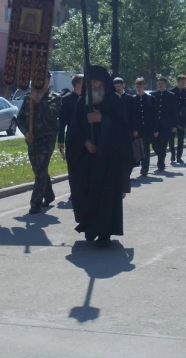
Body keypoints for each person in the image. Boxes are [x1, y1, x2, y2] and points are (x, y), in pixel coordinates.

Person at [66, 66, 130, 247]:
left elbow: (122, 128)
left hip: (108, 159)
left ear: (103, 82)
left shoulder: (114, 100)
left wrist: (103, 119)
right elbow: (74, 130)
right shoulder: (82, 102)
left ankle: (104, 233)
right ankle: (88, 227)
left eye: (96, 82)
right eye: (90, 82)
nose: (93, 85)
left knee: (106, 196)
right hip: (87, 159)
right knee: (86, 193)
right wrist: (85, 142)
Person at [17, 71, 61, 214]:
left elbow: (53, 116)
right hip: (33, 139)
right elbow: (20, 119)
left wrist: (39, 102)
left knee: (41, 168)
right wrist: (26, 133)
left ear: (48, 81)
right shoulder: (27, 98)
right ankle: (48, 193)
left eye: (44, 79)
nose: (41, 82)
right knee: (38, 170)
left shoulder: (55, 97)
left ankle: (35, 202)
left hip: (47, 138)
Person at [58, 74, 83, 204]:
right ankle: (74, 193)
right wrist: (60, 140)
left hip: (87, 138)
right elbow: (62, 123)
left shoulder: (88, 98)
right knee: (73, 167)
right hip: (72, 138)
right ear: (77, 84)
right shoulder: (67, 100)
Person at [130, 78, 157, 177]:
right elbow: (132, 116)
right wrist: (134, 129)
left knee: (145, 148)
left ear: (144, 86)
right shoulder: (133, 99)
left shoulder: (150, 99)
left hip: (148, 128)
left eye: (141, 86)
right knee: (138, 148)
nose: (139, 88)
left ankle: (145, 167)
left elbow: (154, 115)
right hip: (138, 129)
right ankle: (139, 164)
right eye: (137, 86)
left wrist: (155, 129)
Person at [151, 76, 177, 172]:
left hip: (166, 125)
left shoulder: (171, 95)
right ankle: (162, 155)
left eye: (162, 83)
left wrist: (174, 125)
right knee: (154, 144)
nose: (161, 85)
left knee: (163, 143)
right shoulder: (153, 95)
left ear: (166, 84)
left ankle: (160, 163)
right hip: (155, 124)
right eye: (159, 83)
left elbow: (174, 111)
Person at [169, 74, 186, 164]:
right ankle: (172, 154)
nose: (184, 83)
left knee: (181, 138)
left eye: (185, 82)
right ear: (178, 82)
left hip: (182, 119)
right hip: (173, 119)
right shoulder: (171, 92)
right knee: (171, 138)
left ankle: (179, 157)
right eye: (182, 82)